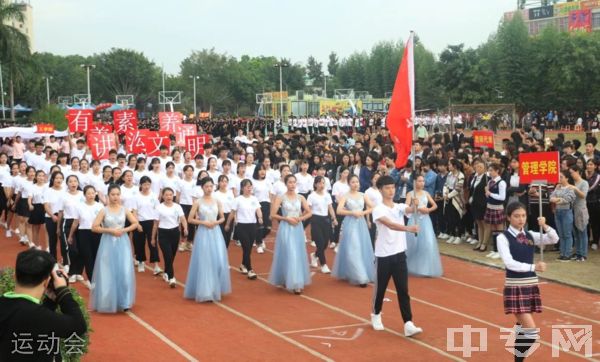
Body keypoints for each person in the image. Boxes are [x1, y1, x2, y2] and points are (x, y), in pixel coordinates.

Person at [497, 202, 558, 361]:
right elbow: (509, 263)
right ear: (509, 217)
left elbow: (553, 238)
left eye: (523, 215)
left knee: (523, 329)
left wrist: (545, 225)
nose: (521, 219)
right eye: (516, 216)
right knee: (530, 331)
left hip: (530, 285)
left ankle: (518, 359)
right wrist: (534, 266)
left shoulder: (530, 234)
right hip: (515, 286)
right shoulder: (503, 237)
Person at [0, 249, 87, 362]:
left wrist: (50, 302)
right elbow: (78, 325)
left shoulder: (36, 315)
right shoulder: (41, 317)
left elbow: (29, 319)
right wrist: (62, 290)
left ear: (14, 276)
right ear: (46, 281)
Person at [370, 175, 422, 337]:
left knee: (403, 290)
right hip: (384, 255)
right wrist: (409, 229)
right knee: (381, 289)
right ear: (380, 190)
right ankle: (376, 314)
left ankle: (408, 323)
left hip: (399, 254)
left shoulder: (398, 206)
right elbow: (390, 225)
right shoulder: (378, 209)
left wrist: (414, 205)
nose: (391, 190)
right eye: (387, 188)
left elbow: (408, 209)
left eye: (393, 187)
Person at [90, 184, 138, 313]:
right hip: (107, 243)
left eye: (117, 194)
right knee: (107, 271)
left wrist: (123, 230)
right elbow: (94, 227)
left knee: (124, 271)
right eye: (113, 194)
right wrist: (109, 230)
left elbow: (135, 223)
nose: (115, 197)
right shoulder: (103, 210)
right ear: (108, 195)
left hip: (123, 243)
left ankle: (125, 301)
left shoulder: (124, 209)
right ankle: (106, 301)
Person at [184, 177, 231, 302]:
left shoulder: (217, 201)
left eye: (211, 186)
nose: (209, 189)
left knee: (219, 260)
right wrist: (203, 222)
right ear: (202, 187)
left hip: (216, 233)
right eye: (206, 186)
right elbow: (190, 219)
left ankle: (216, 286)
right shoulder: (198, 202)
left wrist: (215, 222)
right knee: (206, 261)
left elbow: (222, 218)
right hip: (203, 233)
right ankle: (206, 290)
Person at [269, 174, 312, 294]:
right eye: (290, 182)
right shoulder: (280, 198)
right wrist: (286, 218)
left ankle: (296, 282)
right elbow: (273, 214)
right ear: (286, 184)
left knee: (296, 253)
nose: (292, 185)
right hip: (285, 228)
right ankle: (285, 277)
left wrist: (300, 219)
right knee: (288, 252)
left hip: (297, 228)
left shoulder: (301, 198)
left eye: (294, 182)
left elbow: (309, 212)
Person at [333, 174, 375, 287]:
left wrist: (363, 213)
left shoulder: (363, 195)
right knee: (353, 248)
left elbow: (372, 207)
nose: (356, 184)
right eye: (353, 182)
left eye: (357, 182)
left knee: (362, 248)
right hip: (350, 224)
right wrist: (352, 212)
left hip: (361, 224)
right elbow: (338, 210)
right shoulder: (345, 196)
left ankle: (360, 272)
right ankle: (360, 277)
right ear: (349, 183)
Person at [405, 174, 443, 277]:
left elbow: (435, 205)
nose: (422, 183)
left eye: (423, 181)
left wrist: (428, 210)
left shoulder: (426, 193)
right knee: (413, 244)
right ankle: (409, 265)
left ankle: (426, 269)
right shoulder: (410, 194)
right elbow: (405, 208)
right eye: (419, 181)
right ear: (414, 182)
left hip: (426, 221)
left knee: (428, 243)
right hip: (414, 220)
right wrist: (415, 207)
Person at [225, 179, 263, 280]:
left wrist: (260, 217)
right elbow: (232, 213)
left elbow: (258, 209)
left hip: (252, 226)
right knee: (246, 247)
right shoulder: (238, 199)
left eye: (250, 186)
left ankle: (243, 265)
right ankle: (250, 269)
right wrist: (228, 224)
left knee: (249, 248)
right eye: (247, 186)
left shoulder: (254, 199)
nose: (249, 188)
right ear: (242, 188)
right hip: (241, 226)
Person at [67, 185, 103, 288]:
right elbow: (75, 223)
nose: (91, 195)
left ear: (95, 193)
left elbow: (103, 222)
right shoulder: (79, 206)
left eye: (93, 193)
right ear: (84, 195)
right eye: (88, 193)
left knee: (97, 257)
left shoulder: (99, 206)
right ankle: (91, 280)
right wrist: (70, 236)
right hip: (83, 233)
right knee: (87, 257)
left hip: (97, 233)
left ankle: (96, 279)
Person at [153, 188, 188, 288]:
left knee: (171, 255)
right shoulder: (159, 207)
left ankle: (167, 272)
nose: (169, 197)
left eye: (170, 195)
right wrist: (152, 238)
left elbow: (183, 219)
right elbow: (155, 224)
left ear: (173, 196)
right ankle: (172, 278)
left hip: (175, 233)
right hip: (163, 233)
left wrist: (185, 228)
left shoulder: (177, 207)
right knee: (167, 255)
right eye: (166, 195)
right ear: (163, 196)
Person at [132, 176, 162, 275]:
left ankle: (156, 265)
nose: (146, 186)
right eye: (144, 184)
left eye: (148, 184)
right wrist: (137, 224)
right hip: (140, 221)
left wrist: (157, 223)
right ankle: (141, 262)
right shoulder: (136, 196)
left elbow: (158, 210)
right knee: (139, 243)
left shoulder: (154, 196)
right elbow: (134, 212)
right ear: (140, 185)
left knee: (152, 243)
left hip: (151, 222)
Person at [308, 176, 337, 274]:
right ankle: (324, 264)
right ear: (315, 184)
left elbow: (330, 208)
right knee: (320, 243)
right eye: (319, 183)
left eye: (323, 183)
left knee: (325, 244)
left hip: (326, 220)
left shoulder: (327, 195)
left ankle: (315, 255)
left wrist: (334, 218)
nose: (322, 185)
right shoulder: (312, 196)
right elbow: (308, 209)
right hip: (315, 220)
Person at [550, 170, 576, 261]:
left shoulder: (570, 188)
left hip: (566, 212)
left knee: (567, 234)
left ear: (567, 178)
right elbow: (551, 197)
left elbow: (569, 199)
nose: (559, 178)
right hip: (558, 212)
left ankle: (567, 254)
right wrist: (559, 199)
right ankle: (562, 253)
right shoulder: (558, 187)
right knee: (561, 234)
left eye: (561, 177)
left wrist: (557, 200)